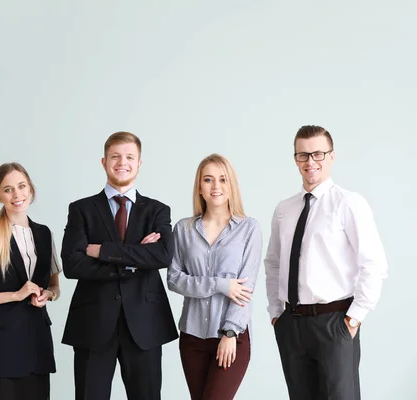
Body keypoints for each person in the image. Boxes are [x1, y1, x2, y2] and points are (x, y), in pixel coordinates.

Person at [265, 125, 388, 400]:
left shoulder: (349, 203)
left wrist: (353, 319)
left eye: (318, 154)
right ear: (295, 159)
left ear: (332, 156)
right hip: (291, 324)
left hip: (334, 322)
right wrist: (276, 313)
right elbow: (273, 263)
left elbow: (374, 264)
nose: (311, 162)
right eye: (303, 155)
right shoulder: (284, 209)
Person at [61, 131, 178, 400]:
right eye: (115, 156)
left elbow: (162, 256)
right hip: (93, 322)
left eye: (129, 157)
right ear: (104, 162)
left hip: (144, 323)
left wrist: (103, 250)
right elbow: (73, 263)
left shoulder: (157, 210)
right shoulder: (81, 209)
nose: (121, 162)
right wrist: (134, 260)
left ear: (139, 163)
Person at [0, 162, 61, 400]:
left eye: (21, 186)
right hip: (0, 350)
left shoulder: (45, 235)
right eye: (8, 189)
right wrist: (15, 295)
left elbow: (55, 286)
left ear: (30, 189)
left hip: (37, 345)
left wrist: (49, 295)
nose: (17, 194)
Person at [167, 154, 262, 400]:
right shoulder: (183, 229)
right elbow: (174, 279)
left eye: (222, 179)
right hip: (192, 338)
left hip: (232, 338)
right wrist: (220, 284)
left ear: (232, 185)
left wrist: (230, 333)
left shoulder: (249, 228)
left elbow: (246, 288)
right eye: (208, 180)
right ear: (199, 186)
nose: (216, 186)